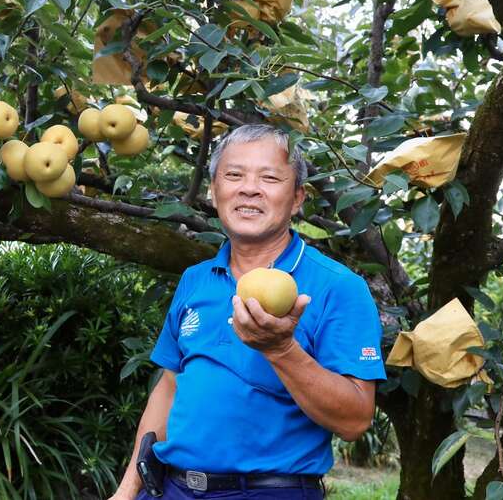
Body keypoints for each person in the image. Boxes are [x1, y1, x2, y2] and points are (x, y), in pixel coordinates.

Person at [109, 124, 386, 500]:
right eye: (234, 175)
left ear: (297, 198)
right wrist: (127, 491)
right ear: (214, 190)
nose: (249, 188)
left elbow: (355, 420)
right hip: (172, 488)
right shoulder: (196, 279)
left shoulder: (338, 287)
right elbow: (169, 388)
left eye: (269, 177)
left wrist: (280, 349)